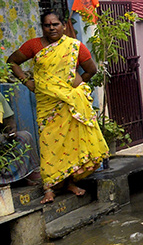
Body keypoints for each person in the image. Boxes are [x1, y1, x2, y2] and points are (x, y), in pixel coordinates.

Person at [6, 11, 108, 203]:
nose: (51, 28)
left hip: (69, 102)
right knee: (48, 142)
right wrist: (28, 82)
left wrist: (74, 85)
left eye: (55, 24)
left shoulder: (74, 46)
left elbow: (91, 70)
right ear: (42, 27)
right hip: (47, 103)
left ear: (63, 25)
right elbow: (12, 62)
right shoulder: (34, 45)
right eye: (47, 25)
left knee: (70, 142)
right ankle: (49, 188)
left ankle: (69, 182)